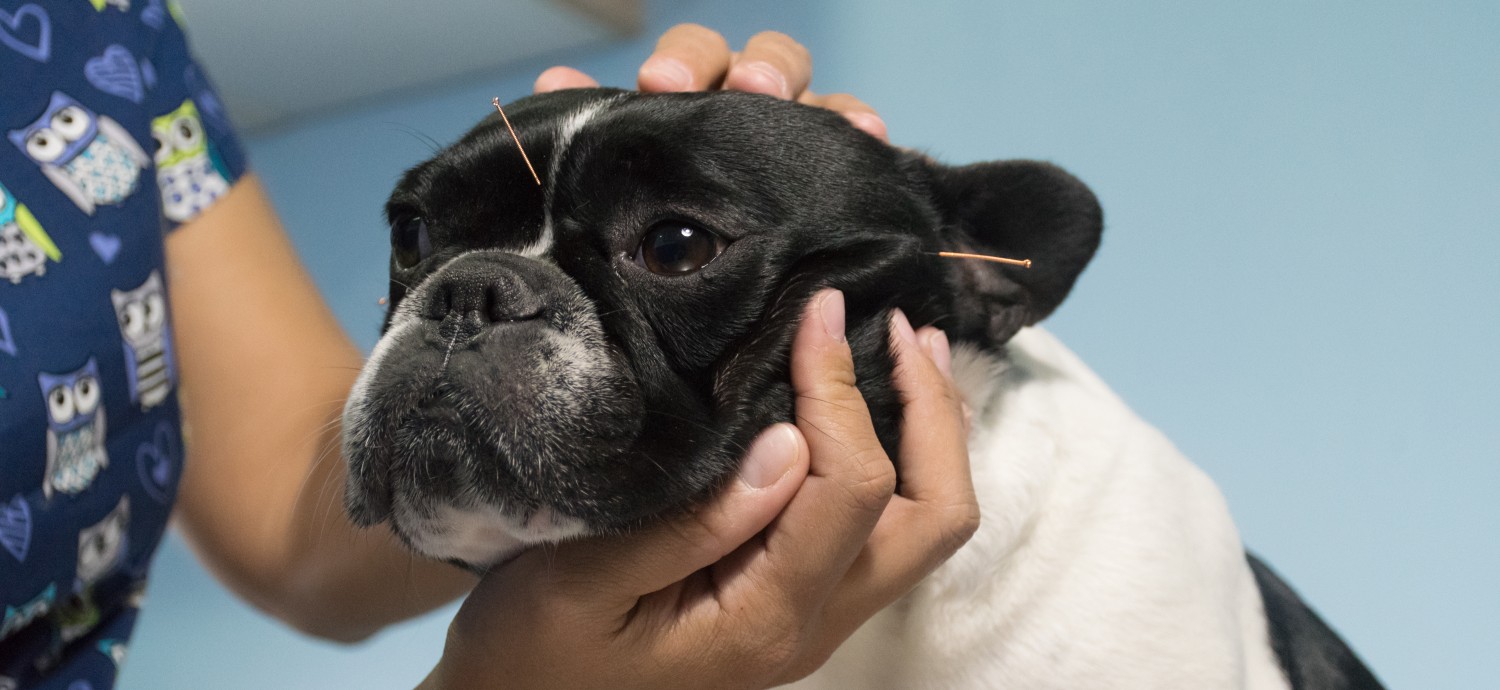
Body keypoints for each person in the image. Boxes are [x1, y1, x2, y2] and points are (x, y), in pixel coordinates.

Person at [0, 8, 975, 689]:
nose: (459, 302)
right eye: (427, 246)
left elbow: (295, 528)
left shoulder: (103, 33)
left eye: (673, 246)